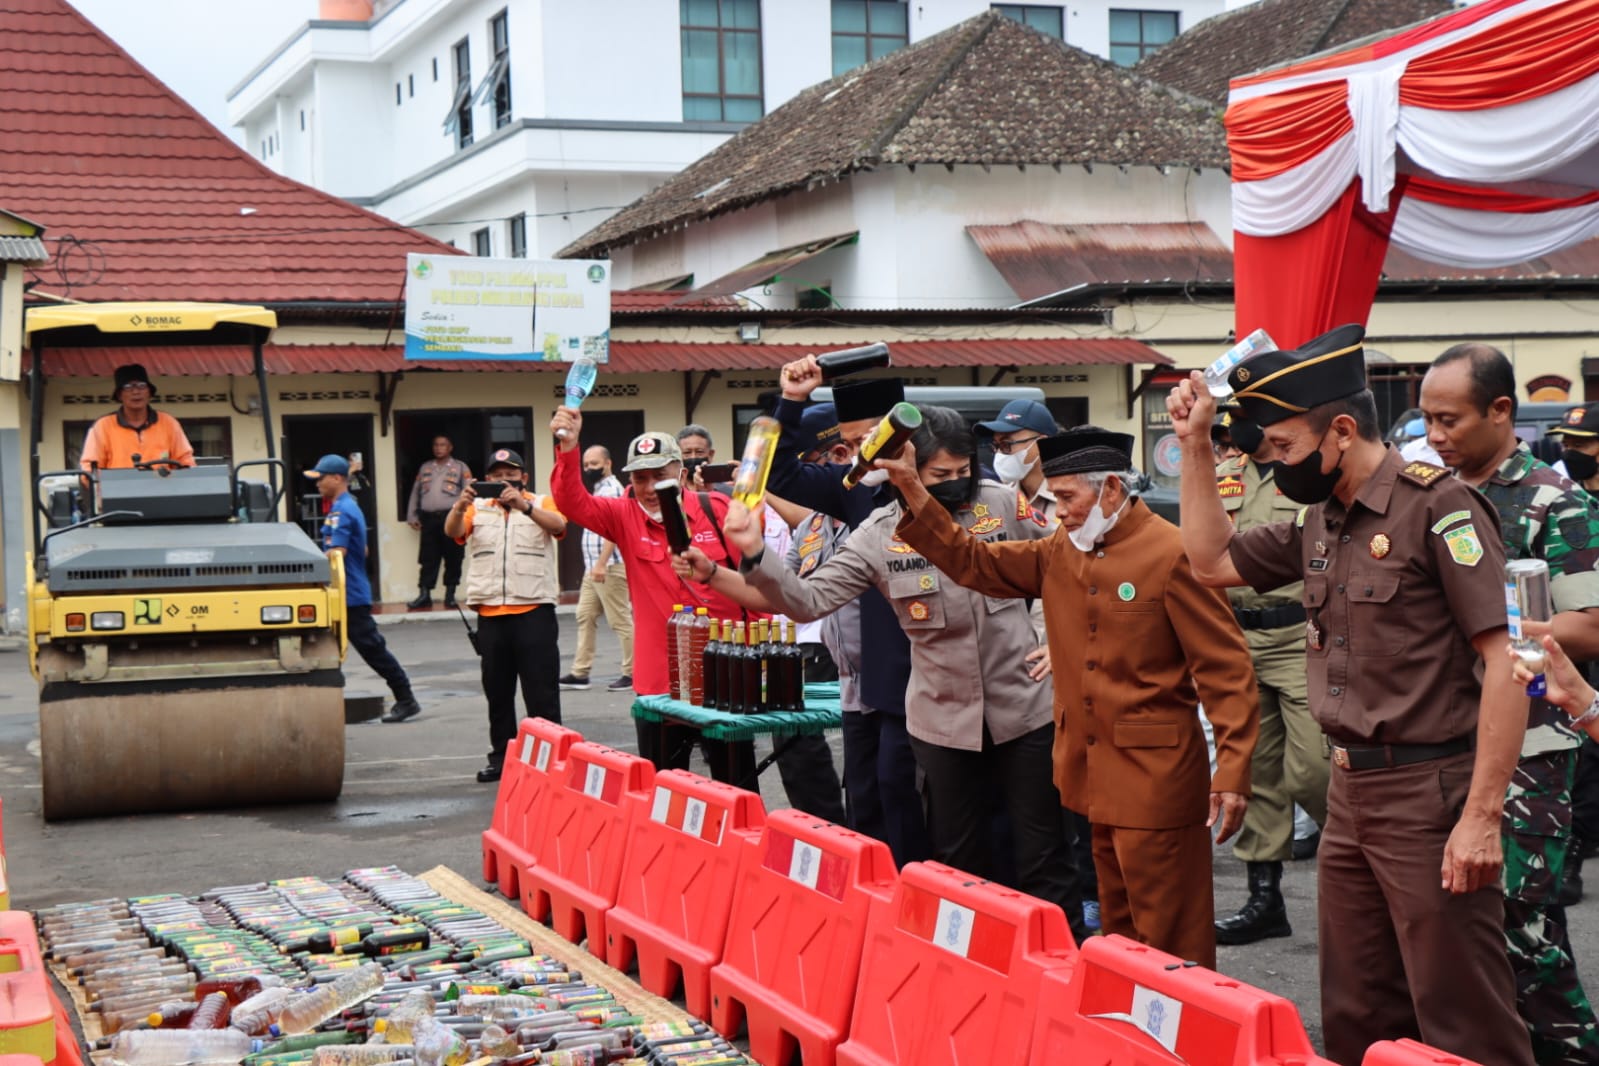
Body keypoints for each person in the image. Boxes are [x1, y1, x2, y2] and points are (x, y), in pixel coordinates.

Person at [1168, 323, 1534, 1066]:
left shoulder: (1440, 510)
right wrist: (1197, 445)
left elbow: (1505, 664)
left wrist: (1480, 817)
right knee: (1357, 1012)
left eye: (1281, 448)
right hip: (1349, 795)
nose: (1275, 464)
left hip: (1429, 792)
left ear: (1340, 428)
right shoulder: (1319, 522)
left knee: (1461, 1013)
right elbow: (1206, 559)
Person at [680, 406, 1086, 943]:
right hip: (943, 721)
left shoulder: (1001, 503)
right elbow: (809, 599)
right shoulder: (878, 532)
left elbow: (1061, 569)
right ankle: (975, 965)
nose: (957, 483)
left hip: (1024, 710)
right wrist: (752, 553)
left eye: (963, 470)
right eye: (940, 476)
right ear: (906, 468)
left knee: (1044, 852)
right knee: (958, 857)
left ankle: (1063, 962)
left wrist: (1052, 638)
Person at [889, 424, 1256, 969]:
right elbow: (975, 563)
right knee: (1119, 933)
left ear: (1110, 489)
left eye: (1066, 498)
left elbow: (1225, 671)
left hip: (1156, 780)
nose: (1057, 511)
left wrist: (1232, 770)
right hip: (1090, 776)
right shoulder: (1067, 545)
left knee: (1172, 940)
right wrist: (914, 491)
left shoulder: (1172, 552)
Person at [1420, 342, 1599, 1066]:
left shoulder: (1556, 502)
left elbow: (1586, 627)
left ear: (1500, 412)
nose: (1434, 436)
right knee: (1456, 925)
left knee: (1520, 925)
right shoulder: (1427, 492)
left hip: (1530, 743)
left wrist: (1489, 627)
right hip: (1440, 736)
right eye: (1426, 419)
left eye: (1449, 419)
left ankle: (1570, 1054)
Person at [765, 363, 931, 866]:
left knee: (910, 796)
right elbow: (781, 475)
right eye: (855, 443)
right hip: (870, 675)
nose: (864, 453)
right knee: (865, 792)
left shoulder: (943, 485)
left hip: (929, 671)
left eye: (873, 439)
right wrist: (791, 401)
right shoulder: (853, 487)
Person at [547, 412, 759, 785]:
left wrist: (759, 658)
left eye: (659, 476)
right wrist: (568, 447)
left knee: (736, 785)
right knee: (666, 788)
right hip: (661, 682)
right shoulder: (622, 516)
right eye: (640, 478)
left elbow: (756, 586)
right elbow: (570, 501)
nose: (649, 488)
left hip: (725, 674)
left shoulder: (716, 510)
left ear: (679, 472)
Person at [975, 397, 1100, 932]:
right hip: (1030, 670)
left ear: (1041, 446)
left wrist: (1068, 644)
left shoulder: (1074, 499)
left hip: (1077, 660)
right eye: (998, 445)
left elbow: (1094, 581)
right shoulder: (1001, 503)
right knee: (1050, 786)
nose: (1003, 453)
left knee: (1087, 789)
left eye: (1013, 444)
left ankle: (1093, 894)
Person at [1212, 409, 1328, 947]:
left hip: (1299, 633)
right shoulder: (1222, 477)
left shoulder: (1304, 473)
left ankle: (1364, 869)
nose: (1235, 427)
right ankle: (1265, 899)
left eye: (1244, 417)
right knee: (1255, 768)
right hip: (1238, 637)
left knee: (1312, 768)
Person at [444, 448, 566, 784]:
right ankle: (501, 758)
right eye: (495, 476)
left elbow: (560, 527)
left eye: (510, 474)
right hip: (490, 614)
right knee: (497, 693)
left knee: (541, 692)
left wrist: (523, 506)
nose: (502, 481)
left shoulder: (541, 502)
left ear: (523, 478)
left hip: (534, 610)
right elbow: (451, 530)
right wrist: (460, 504)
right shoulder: (477, 508)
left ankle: (550, 759)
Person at [305, 454, 421, 724]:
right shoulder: (346, 506)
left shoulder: (342, 510)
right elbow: (364, 549)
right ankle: (324, 701)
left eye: (320, 478)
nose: (317, 483)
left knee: (372, 649)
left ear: (336, 478)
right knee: (330, 649)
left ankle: (406, 698)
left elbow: (337, 555)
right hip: (348, 591)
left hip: (350, 595)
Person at [560, 446, 634, 693]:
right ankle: (581, 673)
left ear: (608, 463)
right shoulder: (598, 489)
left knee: (620, 621)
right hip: (593, 568)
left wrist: (602, 563)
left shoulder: (613, 490)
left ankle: (632, 673)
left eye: (594, 464)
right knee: (585, 615)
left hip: (610, 566)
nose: (589, 469)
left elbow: (615, 529)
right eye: (586, 464)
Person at [79, 363, 194, 471]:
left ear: (149, 393)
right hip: (118, 490)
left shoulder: (168, 423)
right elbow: (90, 468)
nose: (136, 391)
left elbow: (185, 461)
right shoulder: (103, 426)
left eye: (142, 386)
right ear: (119, 395)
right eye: (128, 387)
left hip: (163, 490)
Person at [405, 435, 472, 610]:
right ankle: (424, 594)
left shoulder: (460, 467)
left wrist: (466, 516)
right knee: (428, 558)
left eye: (443, 445)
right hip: (429, 520)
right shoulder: (425, 467)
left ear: (450, 448)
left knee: (453, 557)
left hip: (451, 518)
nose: (438, 448)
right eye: (436, 445)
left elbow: (469, 492)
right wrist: (412, 516)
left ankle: (450, 595)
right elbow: (415, 492)